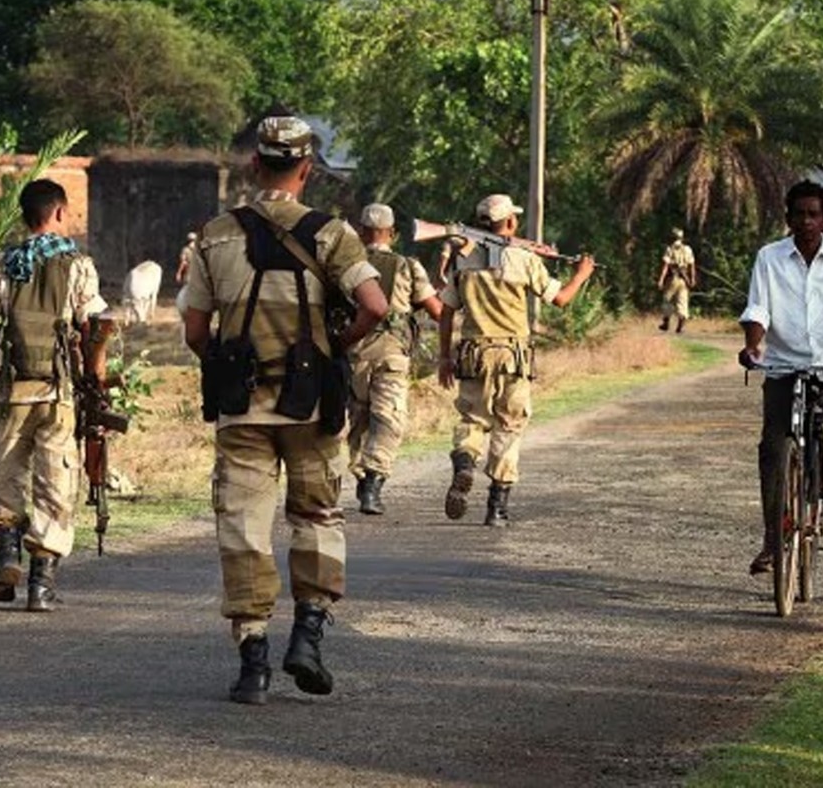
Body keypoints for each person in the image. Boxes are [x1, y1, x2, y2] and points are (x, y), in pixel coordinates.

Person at [183, 116, 389, 705]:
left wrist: (228, 362)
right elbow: (374, 306)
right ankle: (307, 637)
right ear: (307, 170)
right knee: (317, 516)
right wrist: (332, 350)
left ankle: (253, 662)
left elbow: (196, 330)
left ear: (254, 166)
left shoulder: (215, 236)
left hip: (242, 408)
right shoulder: (332, 234)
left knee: (244, 528)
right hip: (310, 408)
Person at [0, 179, 112, 611]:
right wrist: (96, 381)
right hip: (58, 393)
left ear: (24, 214)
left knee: (6, 471)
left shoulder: (5, 262)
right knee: (55, 481)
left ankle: (6, 555)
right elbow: (95, 327)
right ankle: (40, 583)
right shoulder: (79, 265)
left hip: (13, 391)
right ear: (60, 213)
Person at [437, 194, 595, 525]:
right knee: (509, 425)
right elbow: (561, 299)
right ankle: (496, 508)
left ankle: (465, 462)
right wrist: (581, 274)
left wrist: (443, 358)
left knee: (472, 420)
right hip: (512, 356)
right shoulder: (523, 260)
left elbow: (447, 311)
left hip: (473, 354)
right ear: (509, 222)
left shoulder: (462, 261)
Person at [738, 180, 823, 574]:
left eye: (814, 214)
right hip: (782, 365)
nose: (807, 221)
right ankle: (773, 539)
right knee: (774, 449)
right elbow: (758, 309)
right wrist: (753, 346)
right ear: (788, 219)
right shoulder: (769, 258)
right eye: (799, 214)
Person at [348, 202, 443, 515]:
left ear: (361, 231)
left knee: (356, 419)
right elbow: (437, 311)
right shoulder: (407, 265)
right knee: (388, 419)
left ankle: (359, 474)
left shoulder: (345, 264)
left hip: (351, 351)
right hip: (391, 352)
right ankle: (373, 483)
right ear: (393, 233)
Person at [657, 227, 696, 333]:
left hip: (672, 279)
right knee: (682, 302)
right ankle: (680, 326)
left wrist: (661, 280)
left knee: (667, 300)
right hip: (684, 280)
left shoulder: (670, 249)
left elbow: (665, 266)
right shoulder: (688, 249)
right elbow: (692, 265)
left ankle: (666, 323)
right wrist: (692, 279)